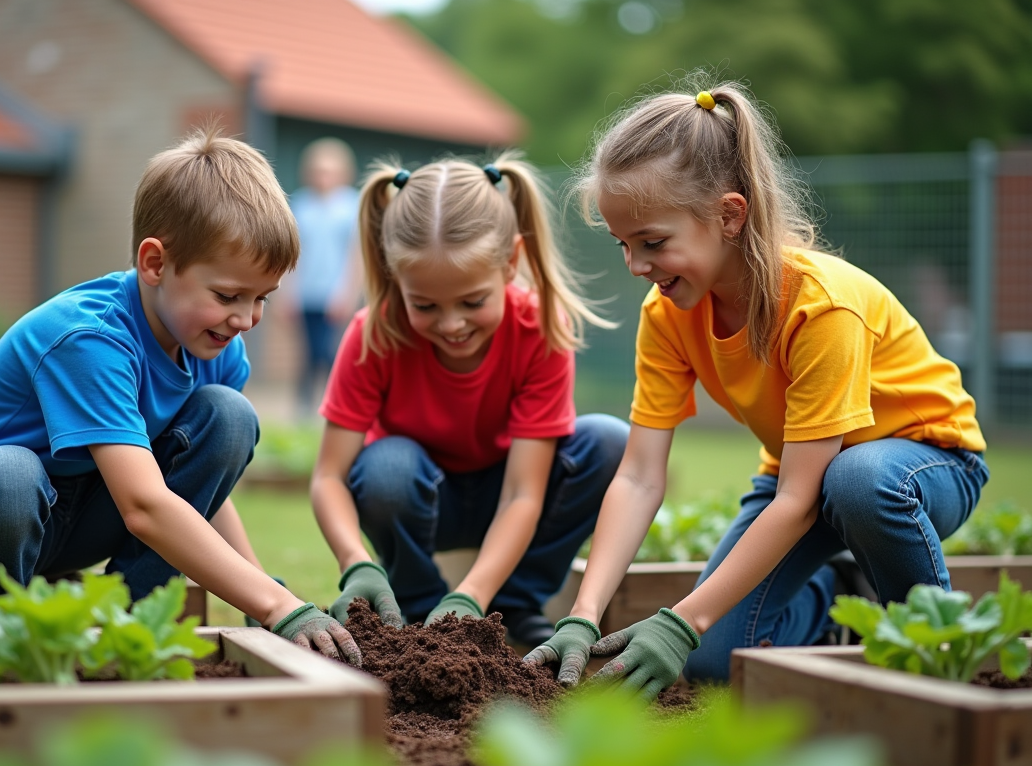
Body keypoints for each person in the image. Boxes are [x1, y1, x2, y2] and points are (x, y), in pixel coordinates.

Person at [527, 79, 988, 694]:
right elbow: (639, 476)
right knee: (715, 662)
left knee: (860, 482)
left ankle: (932, 650)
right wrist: (583, 615)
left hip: (923, 467)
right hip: (804, 478)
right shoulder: (666, 314)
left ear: (729, 215)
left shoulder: (820, 306)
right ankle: (838, 598)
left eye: (653, 243)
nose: (636, 267)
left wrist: (679, 618)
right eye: (624, 245)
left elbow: (802, 497)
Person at [0, 129, 360, 664]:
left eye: (262, 297)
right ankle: (6, 636)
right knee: (10, 473)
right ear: (154, 263)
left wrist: (264, 594)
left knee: (229, 416)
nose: (246, 319)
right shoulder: (90, 339)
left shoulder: (213, 342)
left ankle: (123, 621)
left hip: (79, 509)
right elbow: (144, 506)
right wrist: (277, 604)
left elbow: (202, 492)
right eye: (228, 295)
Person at [311, 153, 630, 648]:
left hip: (514, 498)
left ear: (510, 263)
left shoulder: (539, 329)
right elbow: (329, 476)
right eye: (425, 305)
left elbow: (523, 493)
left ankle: (514, 606)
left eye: (472, 302)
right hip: (419, 503)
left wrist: (473, 596)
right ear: (397, 278)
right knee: (387, 468)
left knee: (609, 443)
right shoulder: (373, 334)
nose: (452, 324)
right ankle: (415, 611)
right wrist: (356, 561)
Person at [289, 138, 362, 415]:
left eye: (330, 170)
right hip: (307, 294)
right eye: (319, 170)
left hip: (335, 295)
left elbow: (356, 258)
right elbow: (293, 256)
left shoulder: (351, 206)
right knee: (307, 353)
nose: (323, 176)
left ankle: (337, 405)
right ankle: (305, 409)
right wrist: (288, 294)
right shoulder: (301, 205)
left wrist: (347, 294)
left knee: (330, 352)